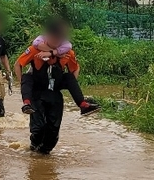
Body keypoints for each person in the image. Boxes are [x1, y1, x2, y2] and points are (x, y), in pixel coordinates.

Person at [14, 19, 99, 154]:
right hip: (37, 93)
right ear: (47, 35)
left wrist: (67, 84)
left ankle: (83, 105)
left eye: (58, 38)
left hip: (54, 93)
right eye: (53, 37)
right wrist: (22, 83)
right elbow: (18, 64)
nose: (55, 40)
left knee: (53, 132)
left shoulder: (67, 53)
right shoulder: (34, 49)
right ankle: (33, 150)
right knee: (39, 127)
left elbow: (76, 68)